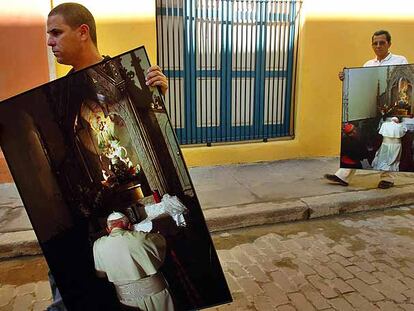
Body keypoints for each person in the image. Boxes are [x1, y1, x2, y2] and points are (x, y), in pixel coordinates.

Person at [45, 3, 168, 310]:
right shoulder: (61, 94)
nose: (49, 42)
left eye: (56, 33)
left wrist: (158, 97)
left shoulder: (122, 73)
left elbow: (153, 128)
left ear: (83, 32)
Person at [324, 30, 408, 189]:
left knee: (389, 142)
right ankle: (343, 175)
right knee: (358, 139)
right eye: (375, 43)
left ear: (389, 44)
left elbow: (403, 86)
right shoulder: (368, 64)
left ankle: (388, 178)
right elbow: (362, 84)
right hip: (373, 112)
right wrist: (347, 77)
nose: (378, 46)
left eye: (382, 42)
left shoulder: (400, 60)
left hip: (394, 113)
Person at [93, 212, 175, 311]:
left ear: (108, 229)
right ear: (129, 226)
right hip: (155, 293)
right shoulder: (140, 237)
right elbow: (161, 242)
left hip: (127, 300)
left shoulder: (98, 245)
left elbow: (101, 274)